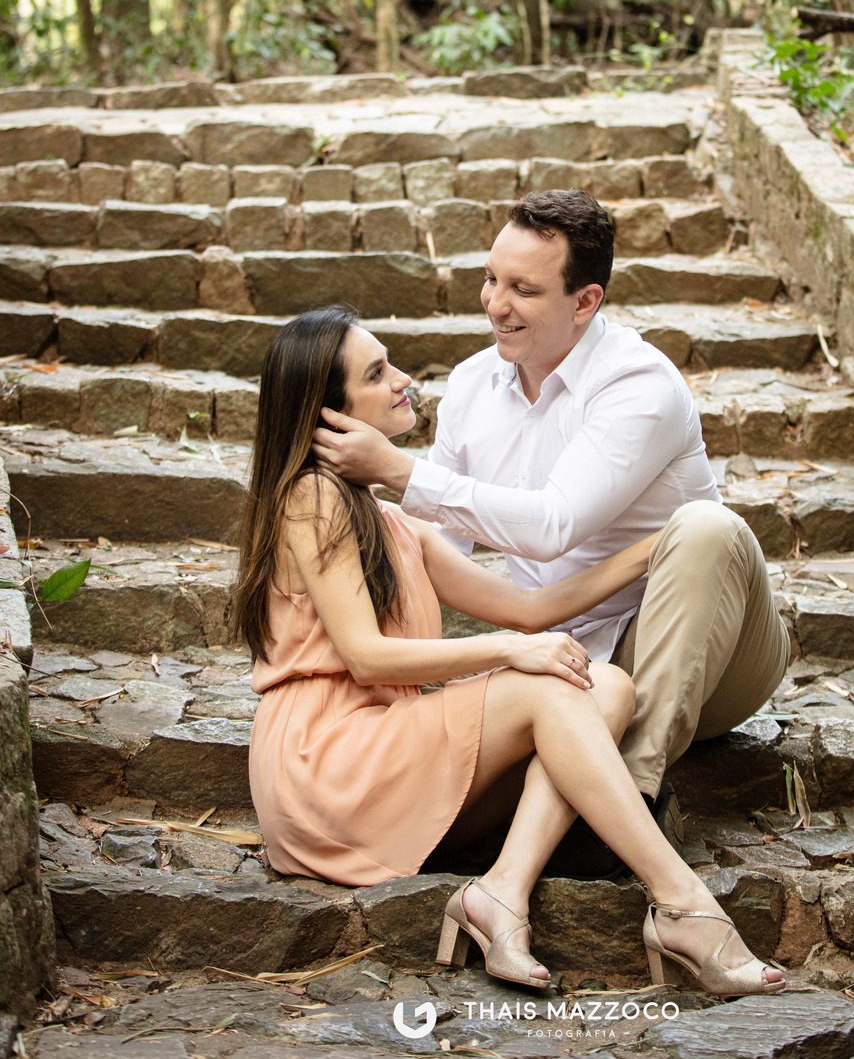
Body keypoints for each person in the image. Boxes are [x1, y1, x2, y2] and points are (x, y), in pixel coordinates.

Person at [231, 304, 784, 998]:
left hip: (384, 749)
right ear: (328, 415)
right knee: (547, 680)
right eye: (377, 373)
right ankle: (683, 902)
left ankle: (502, 891)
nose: (404, 381)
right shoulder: (312, 498)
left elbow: (533, 608)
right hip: (329, 759)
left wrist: (675, 536)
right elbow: (367, 657)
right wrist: (507, 653)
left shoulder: (395, 521)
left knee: (606, 687)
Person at [311, 188, 790, 837]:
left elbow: (549, 526)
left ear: (585, 302)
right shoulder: (471, 389)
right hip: (563, 649)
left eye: (523, 290)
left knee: (710, 529)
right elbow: (445, 555)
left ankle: (632, 792)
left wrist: (396, 470)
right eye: (490, 279)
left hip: (705, 645)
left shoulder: (637, 385)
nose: (494, 304)